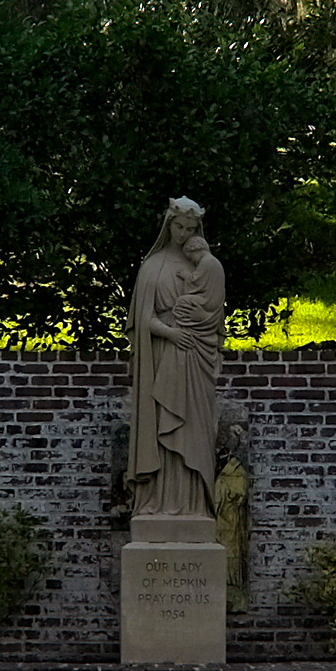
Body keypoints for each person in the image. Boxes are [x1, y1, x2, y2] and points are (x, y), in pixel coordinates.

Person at [126, 197, 226, 520]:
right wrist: (170, 333)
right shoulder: (152, 268)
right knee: (162, 428)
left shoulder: (204, 265)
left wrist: (211, 345)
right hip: (162, 357)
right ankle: (156, 502)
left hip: (196, 359)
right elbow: (143, 320)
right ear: (168, 224)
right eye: (179, 227)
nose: (183, 234)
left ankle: (193, 506)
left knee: (194, 431)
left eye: (190, 229)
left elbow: (214, 314)